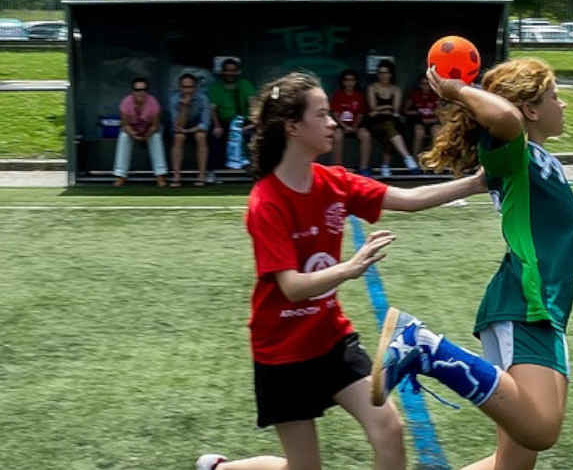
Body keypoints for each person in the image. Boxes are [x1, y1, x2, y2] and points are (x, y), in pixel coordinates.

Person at [196, 72, 489, 470]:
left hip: (331, 339)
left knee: (389, 430)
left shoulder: (334, 182)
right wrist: (349, 268)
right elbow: (292, 287)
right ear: (293, 127)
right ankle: (221, 468)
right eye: (321, 114)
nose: (333, 123)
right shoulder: (266, 201)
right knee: (303, 468)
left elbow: (408, 199)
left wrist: (474, 184)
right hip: (281, 352)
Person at [374, 59, 573, 470]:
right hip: (525, 305)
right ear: (531, 110)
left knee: (514, 463)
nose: (564, 104)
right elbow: (504, 118)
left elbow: (536, 237)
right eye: (554, 96)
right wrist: (457, 91)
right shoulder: (512, 152)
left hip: (543, 302)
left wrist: (567, 282)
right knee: (541, 430)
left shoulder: (537, 159)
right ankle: (422, 346)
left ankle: (424, 346)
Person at [364, 61, 420, 176]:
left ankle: (386, 166)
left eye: (386, 73)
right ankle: (406, 158)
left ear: (391, 74)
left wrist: (382, 109)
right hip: (375, 122)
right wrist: (387, 107)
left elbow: (395, 109)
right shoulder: (372, 88)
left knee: (390, 130)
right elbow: (373, 108)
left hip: (392, 120)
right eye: (380, 73)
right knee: (390, 129)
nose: (383, 75)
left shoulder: (396, 89)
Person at [114, 77, 168, 187]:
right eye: (137, 90)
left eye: (143, 90)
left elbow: (155, 126)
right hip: (132, 130)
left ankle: (160, 175)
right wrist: (134, 135)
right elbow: (125, 125)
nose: (140, 92)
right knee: (124, 136)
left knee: (156, 137)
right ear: (133, 91)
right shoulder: (126, 103)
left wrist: (146, 136)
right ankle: (120, 176)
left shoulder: (153, 103)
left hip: (150, 130)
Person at [209, 58, 257, 175]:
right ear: (222, 72)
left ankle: (251, 168)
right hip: (224, 122)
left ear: (238, 72)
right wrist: (217, 126)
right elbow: (213, 109)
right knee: (215, 136)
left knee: (251, 135)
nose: (230, 73)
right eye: (227, 70)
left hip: (244, 121)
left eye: (233, 71)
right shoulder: (216, 87)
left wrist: (253, 123)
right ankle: (218, 172)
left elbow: (253, 104)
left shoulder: (245, 84)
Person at [167, 73, 214, 187]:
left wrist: (189, 131)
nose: (187, 90)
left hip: (196, 128)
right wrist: (184, 107)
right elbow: (177, 126)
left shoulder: (203, 98)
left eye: (190, 87)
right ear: (180, 87)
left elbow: (205, 124)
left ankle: (201, 175)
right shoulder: (174, 99)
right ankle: (176, 176)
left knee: (201, 136)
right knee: (178, 137)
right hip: (181, 128)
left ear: (195, 87)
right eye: (184, 87)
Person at [328, 70, 367, 171]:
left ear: (355, 82)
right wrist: (345, 126)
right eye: (347, 80)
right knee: (337, 135)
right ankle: (337, 169)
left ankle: (364, 168)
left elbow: (360, 114)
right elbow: (335, 114)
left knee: (365, 135)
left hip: (356, 125)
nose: (349, 82)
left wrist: (354, 127)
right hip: (341, 125)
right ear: (343, 82)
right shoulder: (338, 95)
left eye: (352, 80)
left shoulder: (359, 96)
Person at [405, 79, 442, 163]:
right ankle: (415, 160)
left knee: (436, 131)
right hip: (419, 120)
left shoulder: (436, 95)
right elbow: (405, 111)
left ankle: (433, 160)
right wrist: (418, 113)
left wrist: (435, 118)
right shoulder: (415, 95)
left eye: (428, 84)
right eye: (423, 84)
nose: (426, 86)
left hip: (433, 120)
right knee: (419, 133)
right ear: (420, 85)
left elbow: (442, 112)